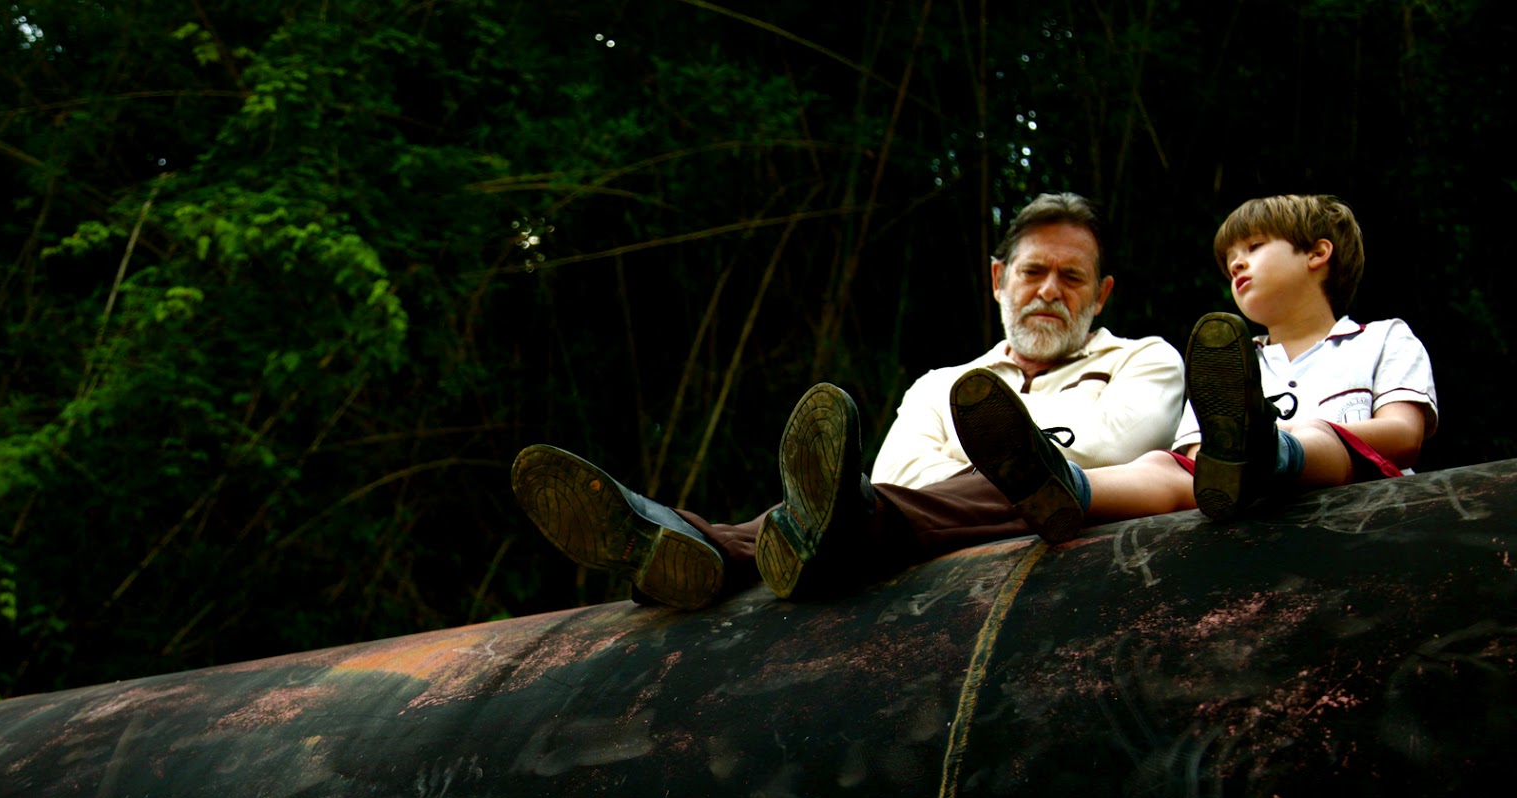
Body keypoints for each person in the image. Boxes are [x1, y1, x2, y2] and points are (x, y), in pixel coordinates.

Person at [511, 192, 1186, 608]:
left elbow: (1112, 451)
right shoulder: (941, 383)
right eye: (1033, 271)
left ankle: (705, 543)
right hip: (931, 533)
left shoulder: (1146, 359)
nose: (1049, 290)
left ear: (1102, 294)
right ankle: (712, 550)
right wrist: (984, 470)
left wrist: (987, 463)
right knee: (874, 504)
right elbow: (897, 476)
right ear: (997, 280)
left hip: (1064, 522)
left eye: (1073, 277)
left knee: (1017, 476)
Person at [951, 194, 1437, 543]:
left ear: (1317, 253)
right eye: (1230, 261)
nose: (1237, 265)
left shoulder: (1381, 338)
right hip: (1246, 505)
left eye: (1253, 247)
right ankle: (1061, 483)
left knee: (1319, 435)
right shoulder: (1229, 357)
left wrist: (1292, 438)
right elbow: (1195, 459)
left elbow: (1404, 434)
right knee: (1161, 465)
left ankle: (1272, 450)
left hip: (1360, 502)